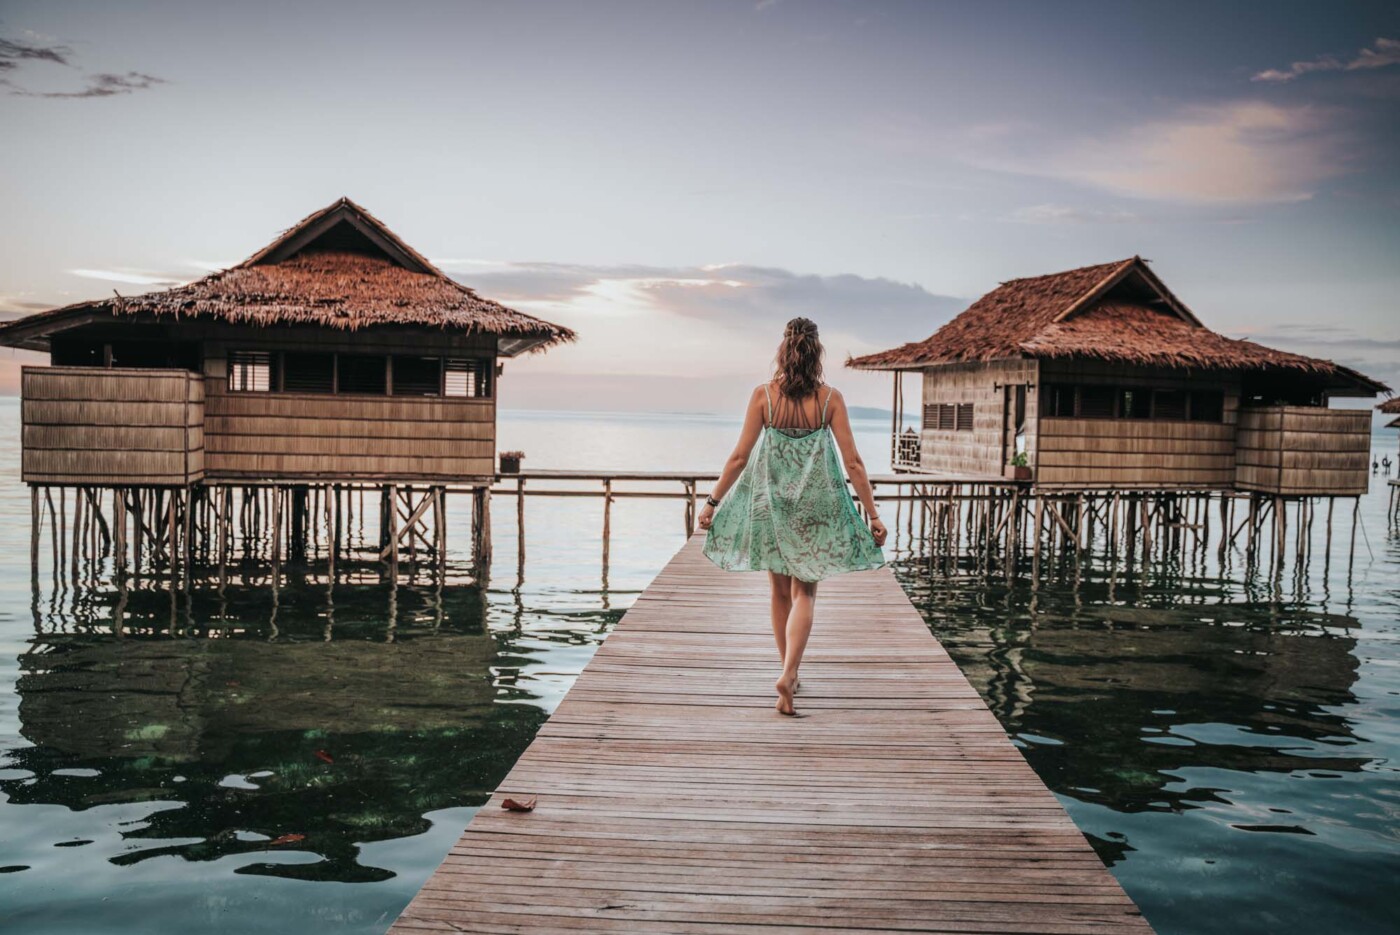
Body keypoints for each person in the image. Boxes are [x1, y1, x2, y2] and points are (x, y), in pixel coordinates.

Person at [698, 317, 888, 716]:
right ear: (817, 352)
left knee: (779, 592)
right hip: (816, 507)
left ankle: (790, 673)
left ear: (783, 351)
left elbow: (738, 458)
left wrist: (712, 502)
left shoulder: (763, 396)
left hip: (771, 506)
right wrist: (872, 515)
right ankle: (790, 672)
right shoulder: (830, 398)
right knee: (807, 593)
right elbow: (852, 462)